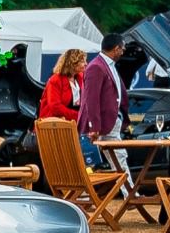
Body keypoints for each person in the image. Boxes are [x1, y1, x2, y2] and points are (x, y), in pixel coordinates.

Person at [78, 33, 130, 176]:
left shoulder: (107, 65)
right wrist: (94, 126)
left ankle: (127, 188)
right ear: (116, 48)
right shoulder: (96, 67)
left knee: (118, 160)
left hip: (110, 122)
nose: (123, 52)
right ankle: (129, 188)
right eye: (122, 49)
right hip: (103, 124)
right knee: (118, 159)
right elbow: (91, 99)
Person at [38, 49, 87, 121]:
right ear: (72, 63)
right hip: (55, 122)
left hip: (74, 120)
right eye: (82, 61)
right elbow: (55, 107)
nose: (86, 64)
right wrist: (77, 115)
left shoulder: (81, 77)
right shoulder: (55, 80)